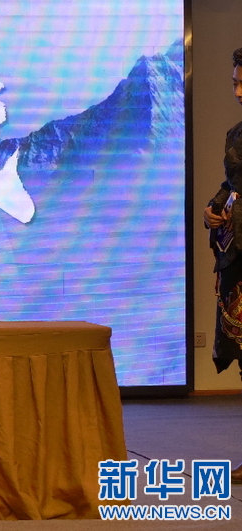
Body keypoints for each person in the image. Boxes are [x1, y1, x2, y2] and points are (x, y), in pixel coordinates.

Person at [202, 47, 242, 485]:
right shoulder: (236, 133)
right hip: (237, 254)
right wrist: (212, 211)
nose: (238, 91)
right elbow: (230, 185)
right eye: (234, 83)